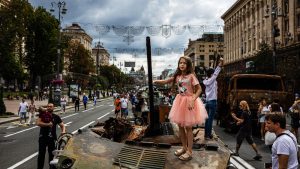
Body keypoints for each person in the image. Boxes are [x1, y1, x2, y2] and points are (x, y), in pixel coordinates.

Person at [154, 56, 207, 161]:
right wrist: (155, 80)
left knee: (188, 128)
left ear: (188, 65)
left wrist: (193, 99)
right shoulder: (177, 76)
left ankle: (189, 151)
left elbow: (199, 89)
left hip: (189, 102)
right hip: (179, 101)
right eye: (180, 63)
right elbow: (165, 81)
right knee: (180, 127)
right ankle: (184, 148)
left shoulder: (191, 76)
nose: (182, 65)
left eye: (184, 63)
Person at [36, 103, 66, 169]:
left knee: (52, 154)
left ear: (53, 108)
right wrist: (48, 124)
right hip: (42, 137)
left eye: (51, 106)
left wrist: (63, 131)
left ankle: (52, 168)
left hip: (52, 138)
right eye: (48, 106)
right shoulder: (42, 115)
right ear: (47, 107)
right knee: (41, 154)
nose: (49, 107)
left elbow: (62, 125)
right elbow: (38, 123)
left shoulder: (56, 116)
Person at [203, 57, 223, 140]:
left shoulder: (206, 80)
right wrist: (220, 62)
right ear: (212, 74)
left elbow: (210, 72)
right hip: (213, 102)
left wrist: (211, 64)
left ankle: (206, 134)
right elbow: (216, 72)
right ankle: (208, 135)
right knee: (210, 120)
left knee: (207, 119)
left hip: (207, 102)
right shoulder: (212, 79)